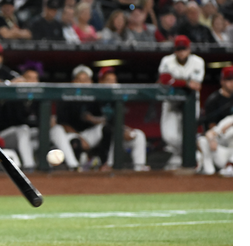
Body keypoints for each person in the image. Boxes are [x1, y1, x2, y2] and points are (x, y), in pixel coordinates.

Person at [158, 35, 204, 170]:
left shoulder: (198, 62)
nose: (181, 52)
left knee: (188, 133)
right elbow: (165, 81)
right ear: (175, 50)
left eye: (184, 49)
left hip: (190, 103)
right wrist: (185, 83)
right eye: (179, 49)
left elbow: (195, 84)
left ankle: (180, 159)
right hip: (171, 103)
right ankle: (192, 154)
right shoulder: (167, 61)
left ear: (189, 49)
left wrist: (176, 81)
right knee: (169, 136)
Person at [49, 65, 106, 170]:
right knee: (63, 134)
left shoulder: (96, 98)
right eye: (80, 80)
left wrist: (92, 119)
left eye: (86, 80)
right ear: (74, 81)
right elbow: (63, 123)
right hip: (71, 135)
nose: (83, 83)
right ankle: (74, 166)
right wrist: (79, 137)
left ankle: (105, 163)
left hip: (89, 134)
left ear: (91, 82)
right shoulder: (65, 97)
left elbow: (103, 119)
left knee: (106, 128)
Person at [95, 67, 150, 171]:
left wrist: (125, 130)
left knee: (138, 135)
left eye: (114, 80)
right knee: (113, 131)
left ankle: (139, 167)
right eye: (108, 80)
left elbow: (116, 122)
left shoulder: (118, 99)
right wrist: (120, 129)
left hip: (115, 134)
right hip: (99, 135)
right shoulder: (95, 97)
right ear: (100, 81)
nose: (112, 83)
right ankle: (109, 165)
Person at [0, 62, 44, 171]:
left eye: (35, 79)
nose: (32, 82)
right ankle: (29, 165)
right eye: (29, 78)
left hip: (26, 137)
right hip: (4, 136)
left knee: (52, 130)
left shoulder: (40, 100)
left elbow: (40, 123)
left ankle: (73, 166)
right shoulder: (13, 97)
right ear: (22, 80)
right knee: (23, 129)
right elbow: (17, 122)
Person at [196, 66, 232, 175]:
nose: (233, 83)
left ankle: (230, 164)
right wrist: (213, 137)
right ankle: (205, 161)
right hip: (219, 138)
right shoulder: (213, 99)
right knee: (202, 141)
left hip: (232, 140)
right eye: (229, 79)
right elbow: (211, 125)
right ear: (222, 81)